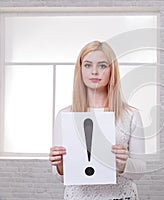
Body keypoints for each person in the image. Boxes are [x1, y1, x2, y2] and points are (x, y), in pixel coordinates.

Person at [49, 41, 145, 200]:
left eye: (102, 66)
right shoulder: (65, 115)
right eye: (87, 65)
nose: (94, 71)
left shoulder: (130, 115)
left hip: (120, 196)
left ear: (112, 70)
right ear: (80, 70)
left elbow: (140, 170)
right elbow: (62, 177)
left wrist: (123, 164)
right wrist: (59, 164)